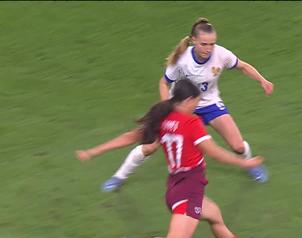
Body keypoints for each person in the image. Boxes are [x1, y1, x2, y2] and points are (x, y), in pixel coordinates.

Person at [81, 17, 273, 191]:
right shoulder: (182, 59)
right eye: (204, 44)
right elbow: (164, 82)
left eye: (212, 44)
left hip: (211, 104)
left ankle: (251, 164)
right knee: (149, 146)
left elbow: (243, 66)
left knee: (238, 146)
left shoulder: (221, 54)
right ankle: (119, 176)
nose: (209, 48)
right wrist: (168, 108)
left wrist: (262, 80)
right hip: (182, 107)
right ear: (193, 40)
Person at [108, 79, 264, 238]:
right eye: (196, 102)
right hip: (189, 189)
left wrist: (95, 151)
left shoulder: (162, 119)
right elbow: (215, 153)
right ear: (188, 100)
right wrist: (245, 163)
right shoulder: (191, 123)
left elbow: (132, 138)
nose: (197, 106)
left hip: (175, 186)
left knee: (215, 217)